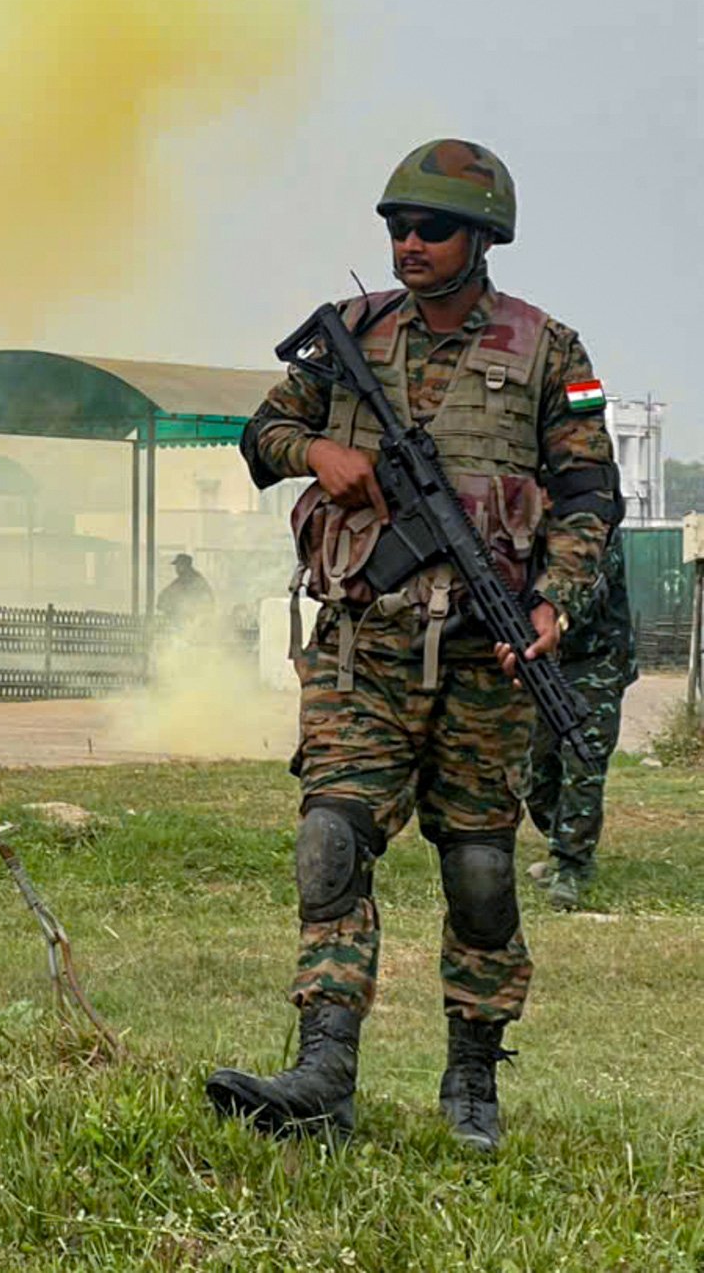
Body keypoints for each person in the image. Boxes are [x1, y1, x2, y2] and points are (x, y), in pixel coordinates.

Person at [204, 140, 620, 1152]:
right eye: (395, 226)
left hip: (487, 658)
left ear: (479, 239)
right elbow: (260, 434)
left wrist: (554, 601)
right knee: (329, 842)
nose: (407, 243)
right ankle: (322, 1072)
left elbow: (587, 494)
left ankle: (471, 1074)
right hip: (364, 648)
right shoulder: (347, 335)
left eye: (429, 228)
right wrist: (318, 452)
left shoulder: (546, 350)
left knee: (478, 871)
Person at [522, 529, 636, 911]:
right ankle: (561, 846)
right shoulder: (524, 520)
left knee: (581, 763)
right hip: (547, 660)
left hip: (598, 659)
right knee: (535, 771)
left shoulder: (592, 526)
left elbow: (589, 593)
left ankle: (572, 866)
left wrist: (551, 612)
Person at [156, 554, 216, 628]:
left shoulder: (189, 578)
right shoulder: (192, 577)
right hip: (196, 618)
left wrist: (165, 603)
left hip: (193, 619)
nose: (176, 569)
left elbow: (168, 593)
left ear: (184, 565)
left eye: (178, 565)